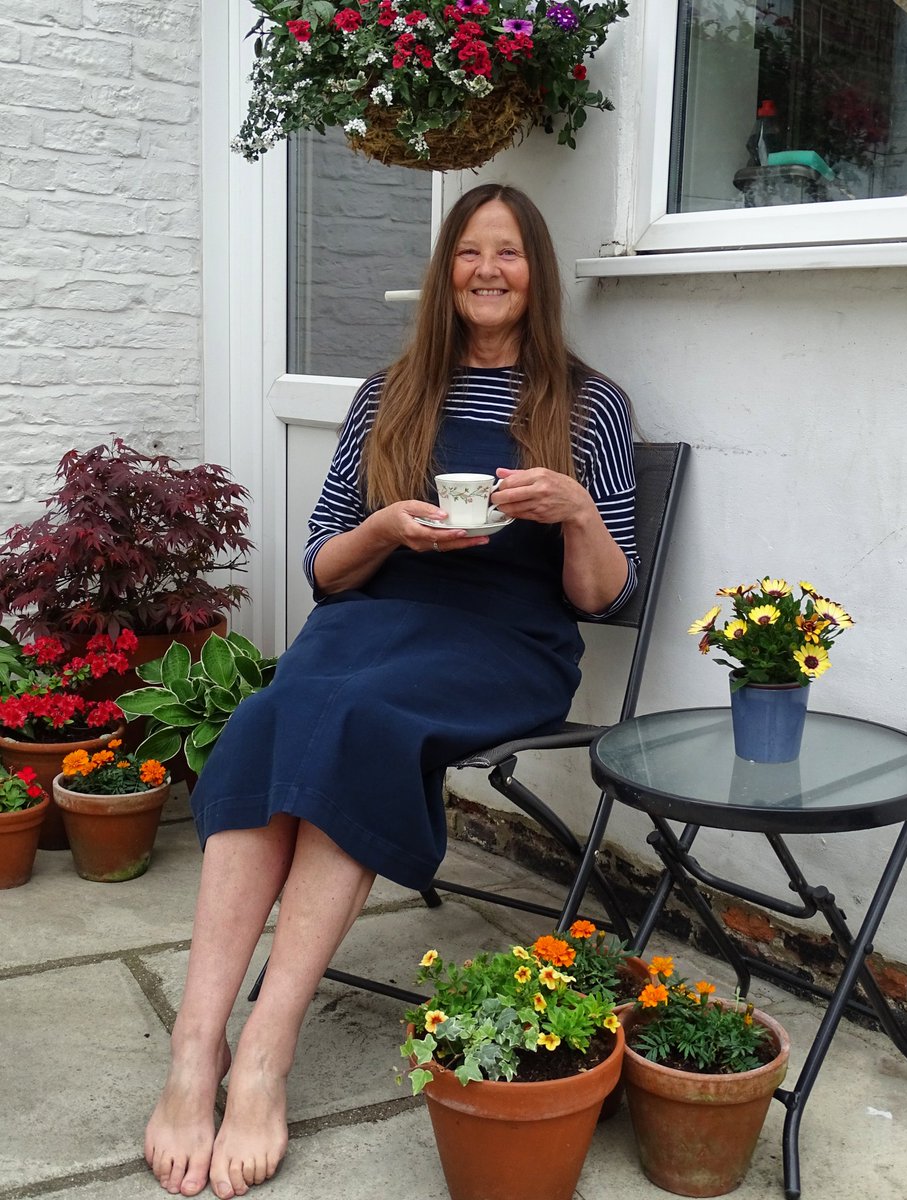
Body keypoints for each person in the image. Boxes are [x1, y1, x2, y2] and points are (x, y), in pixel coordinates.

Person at [144, 183, 639, 1199]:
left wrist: (580, 511)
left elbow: (599, 595)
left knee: (355, 720)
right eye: (469, 252)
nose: (488, 270)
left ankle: (266, 1051)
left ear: (537, 274)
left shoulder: (590, 407)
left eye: (509, 253)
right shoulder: (388, 395)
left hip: (505, 643)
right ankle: (196, 1050)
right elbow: (325, 569)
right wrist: (387, 529)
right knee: (270, 711)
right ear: (444, 273)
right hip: (370, 620)